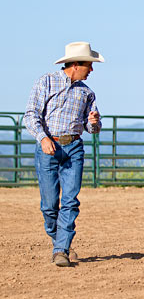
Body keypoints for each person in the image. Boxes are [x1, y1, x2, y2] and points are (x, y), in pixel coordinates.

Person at [24, 41, 104, 267]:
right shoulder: (46, 82)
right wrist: (43, 138)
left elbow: (93, 129)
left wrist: (94, 123)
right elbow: (31, 115)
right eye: (89, 65)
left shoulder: (87, 93)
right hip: (49, 147)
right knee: (49, 205)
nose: (92, 70)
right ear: (77, 64)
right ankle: (58, 238)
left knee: (70, 200)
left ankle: (61, 249)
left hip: (74, 148)